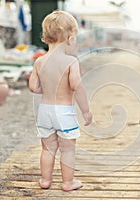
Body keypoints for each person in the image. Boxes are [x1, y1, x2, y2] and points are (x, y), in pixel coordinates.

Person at [29, 10, 92, 191]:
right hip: (64, 112)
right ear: (70, 39)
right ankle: (67, 182)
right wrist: (86, 110)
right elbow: (76, 86)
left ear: (46, 37)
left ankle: (45, 181)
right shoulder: (71, 61)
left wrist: (45, 88)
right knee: (67, 149)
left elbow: (33, 87)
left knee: (47, 149)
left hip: (45, 111)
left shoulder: (39, 62)